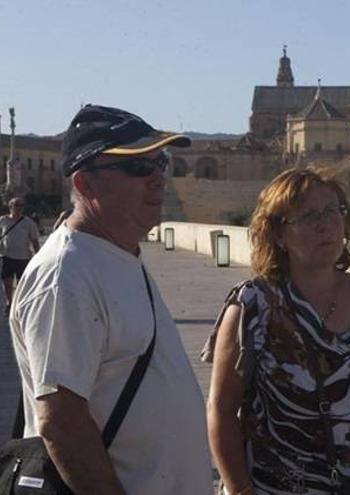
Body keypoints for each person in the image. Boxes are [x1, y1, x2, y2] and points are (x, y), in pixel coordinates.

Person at [9, 104, 213, 494]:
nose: (157, 179)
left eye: (161, 163)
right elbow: (62, 423)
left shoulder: (117, 254)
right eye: (138, 167)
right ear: (85, 185)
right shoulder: (66, 273)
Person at [203, 168, 350, 495]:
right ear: (277, 234)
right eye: (306, 216)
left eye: (333, 211)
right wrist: (240, 489)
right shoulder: (253, 305)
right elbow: (221, 408)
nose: (325, 224)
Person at [0, 197, 41, 310]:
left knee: (21, 282)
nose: (19, 208)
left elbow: (34, 240)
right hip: (6, 255)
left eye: (21, 205)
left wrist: (38, 256)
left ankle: (19, 303)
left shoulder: (28, 222)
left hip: (23, 257)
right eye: (17, 205)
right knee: (7, 281)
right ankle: (9, 301)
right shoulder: (3, 220)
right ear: (10, 207)